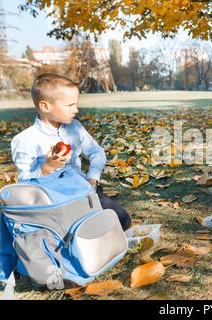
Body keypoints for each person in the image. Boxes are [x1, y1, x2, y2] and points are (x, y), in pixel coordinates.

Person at [11, 73, 131, 230]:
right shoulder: (25, 140)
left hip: (82, 190)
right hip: (52, 199)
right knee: (73, 228)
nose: (76, 110)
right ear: (45, 106)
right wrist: (48, 168)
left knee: (121, 219)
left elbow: (96, 152)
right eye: (70, 105)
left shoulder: (75, 127)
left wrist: (93, 178)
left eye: (76, 104)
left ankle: (84, 224)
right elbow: (25, 184)